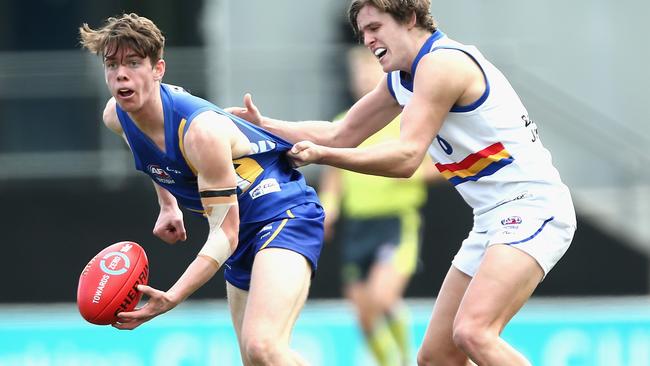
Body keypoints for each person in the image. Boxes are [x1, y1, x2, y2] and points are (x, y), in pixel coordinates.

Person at [228, 1, 577, 364]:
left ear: (410, 18)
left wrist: (321, 156)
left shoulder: (441, 64)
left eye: (375, 27)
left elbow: (406, 158)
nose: (367, 39)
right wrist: (265, 126)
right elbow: (341, 132)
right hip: (492, 218)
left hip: (533, 207)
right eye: (363, 32)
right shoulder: (403, 76)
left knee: (473, 332)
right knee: (436, 358)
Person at [79, 13, 324, 366]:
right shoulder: (116, 116)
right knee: (256, 361)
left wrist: (173, 297)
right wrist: (168, 203)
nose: (120, 73)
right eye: (112, 63)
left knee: (263, 347)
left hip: (282, 212)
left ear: (158, 69)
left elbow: (225, 232)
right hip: (243, 229)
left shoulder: (199, 131)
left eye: (133, 63)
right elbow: (152, 157)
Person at [319, 46, 440, 366]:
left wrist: (403, 170)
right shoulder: (344, 123)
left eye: (369, 71)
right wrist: (328, 208)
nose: (362, 78)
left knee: (383, 298)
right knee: (362, 311)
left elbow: (436, 165)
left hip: (395, 222)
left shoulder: (406, 119)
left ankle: (405, 360)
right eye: (357, 73)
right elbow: (334, 177)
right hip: (358, 227)